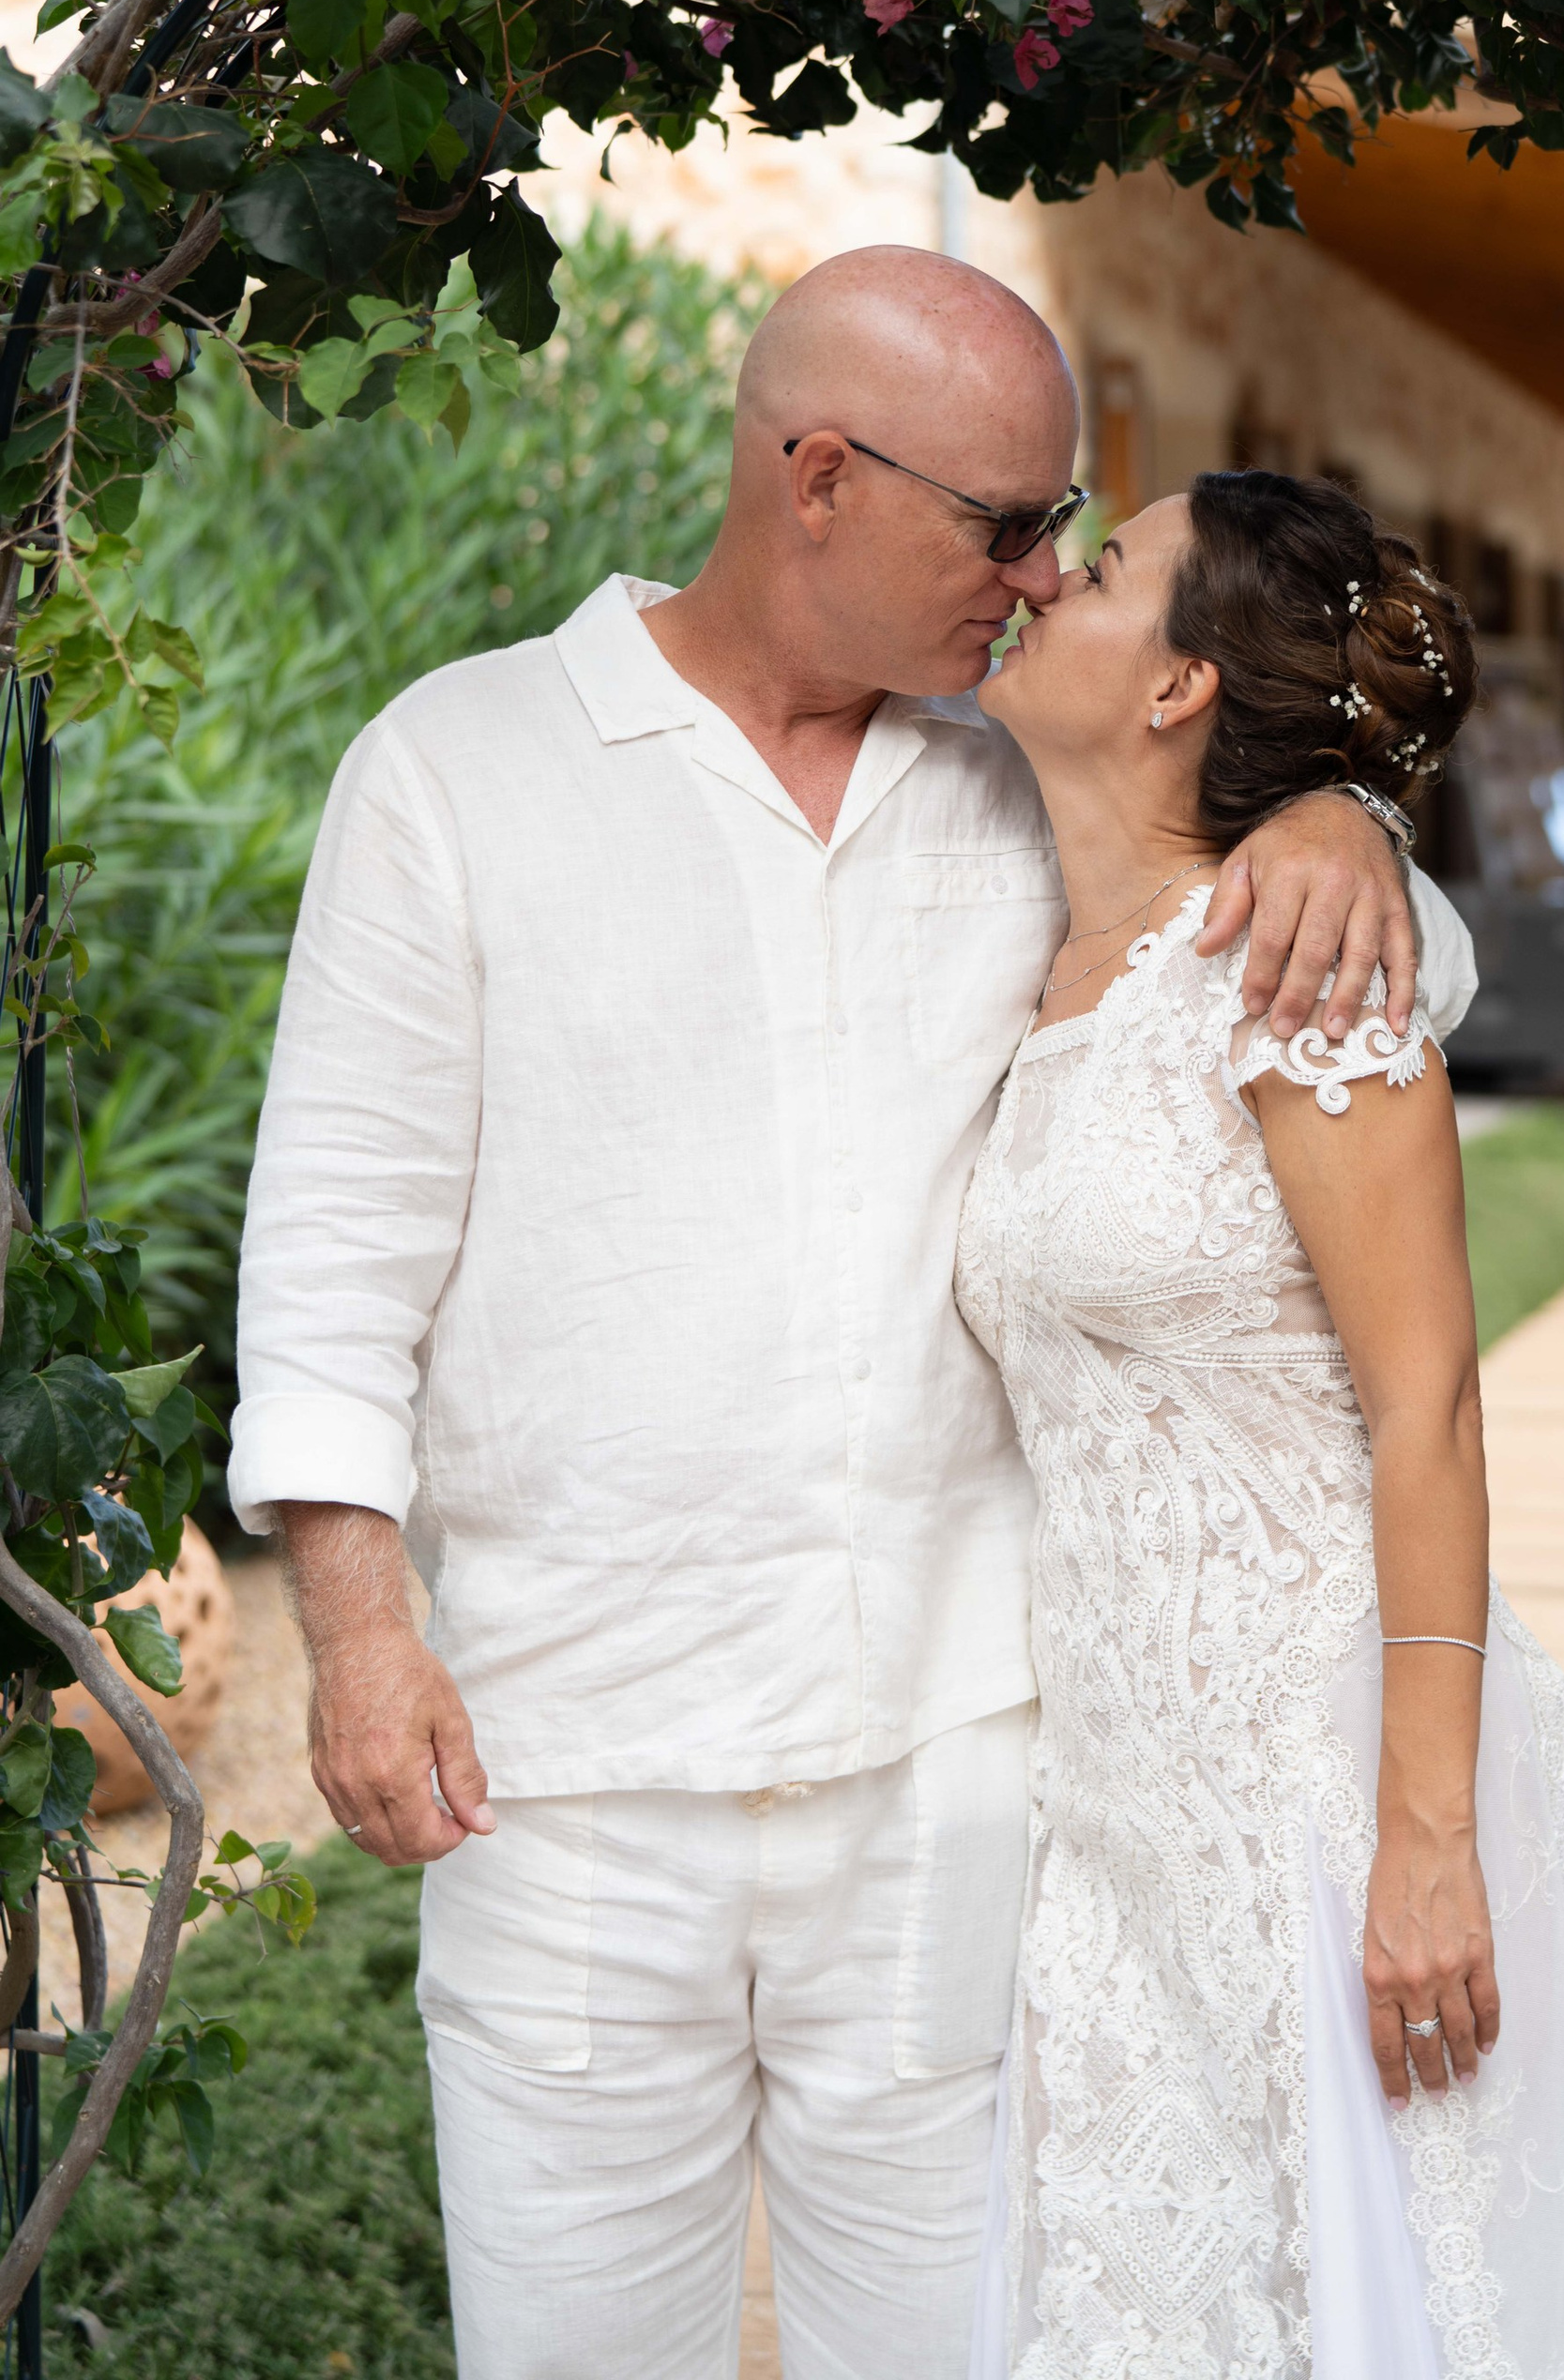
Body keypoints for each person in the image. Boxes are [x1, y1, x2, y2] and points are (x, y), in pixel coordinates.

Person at [226, 248, 1420, 2380]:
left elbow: (1235, 913)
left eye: (1067, 527)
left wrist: (1344, 812)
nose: (1043, 577)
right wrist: (354, 1620)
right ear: (814, 476)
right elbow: (333, 1239)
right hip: (564, 1778)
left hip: (952, 1783)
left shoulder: (1007, 788)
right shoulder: (457, 768)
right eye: (1007, 523)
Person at [960, 472, 1564, 2380]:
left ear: (1181, 682)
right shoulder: (1042, 955)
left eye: (1097, 567)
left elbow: (1427, 1406)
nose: (1041, 577)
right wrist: (1344, 802)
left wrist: (1423, 1837)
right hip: (1116, 1810)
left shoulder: (1302, 978)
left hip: (1337, 1788)